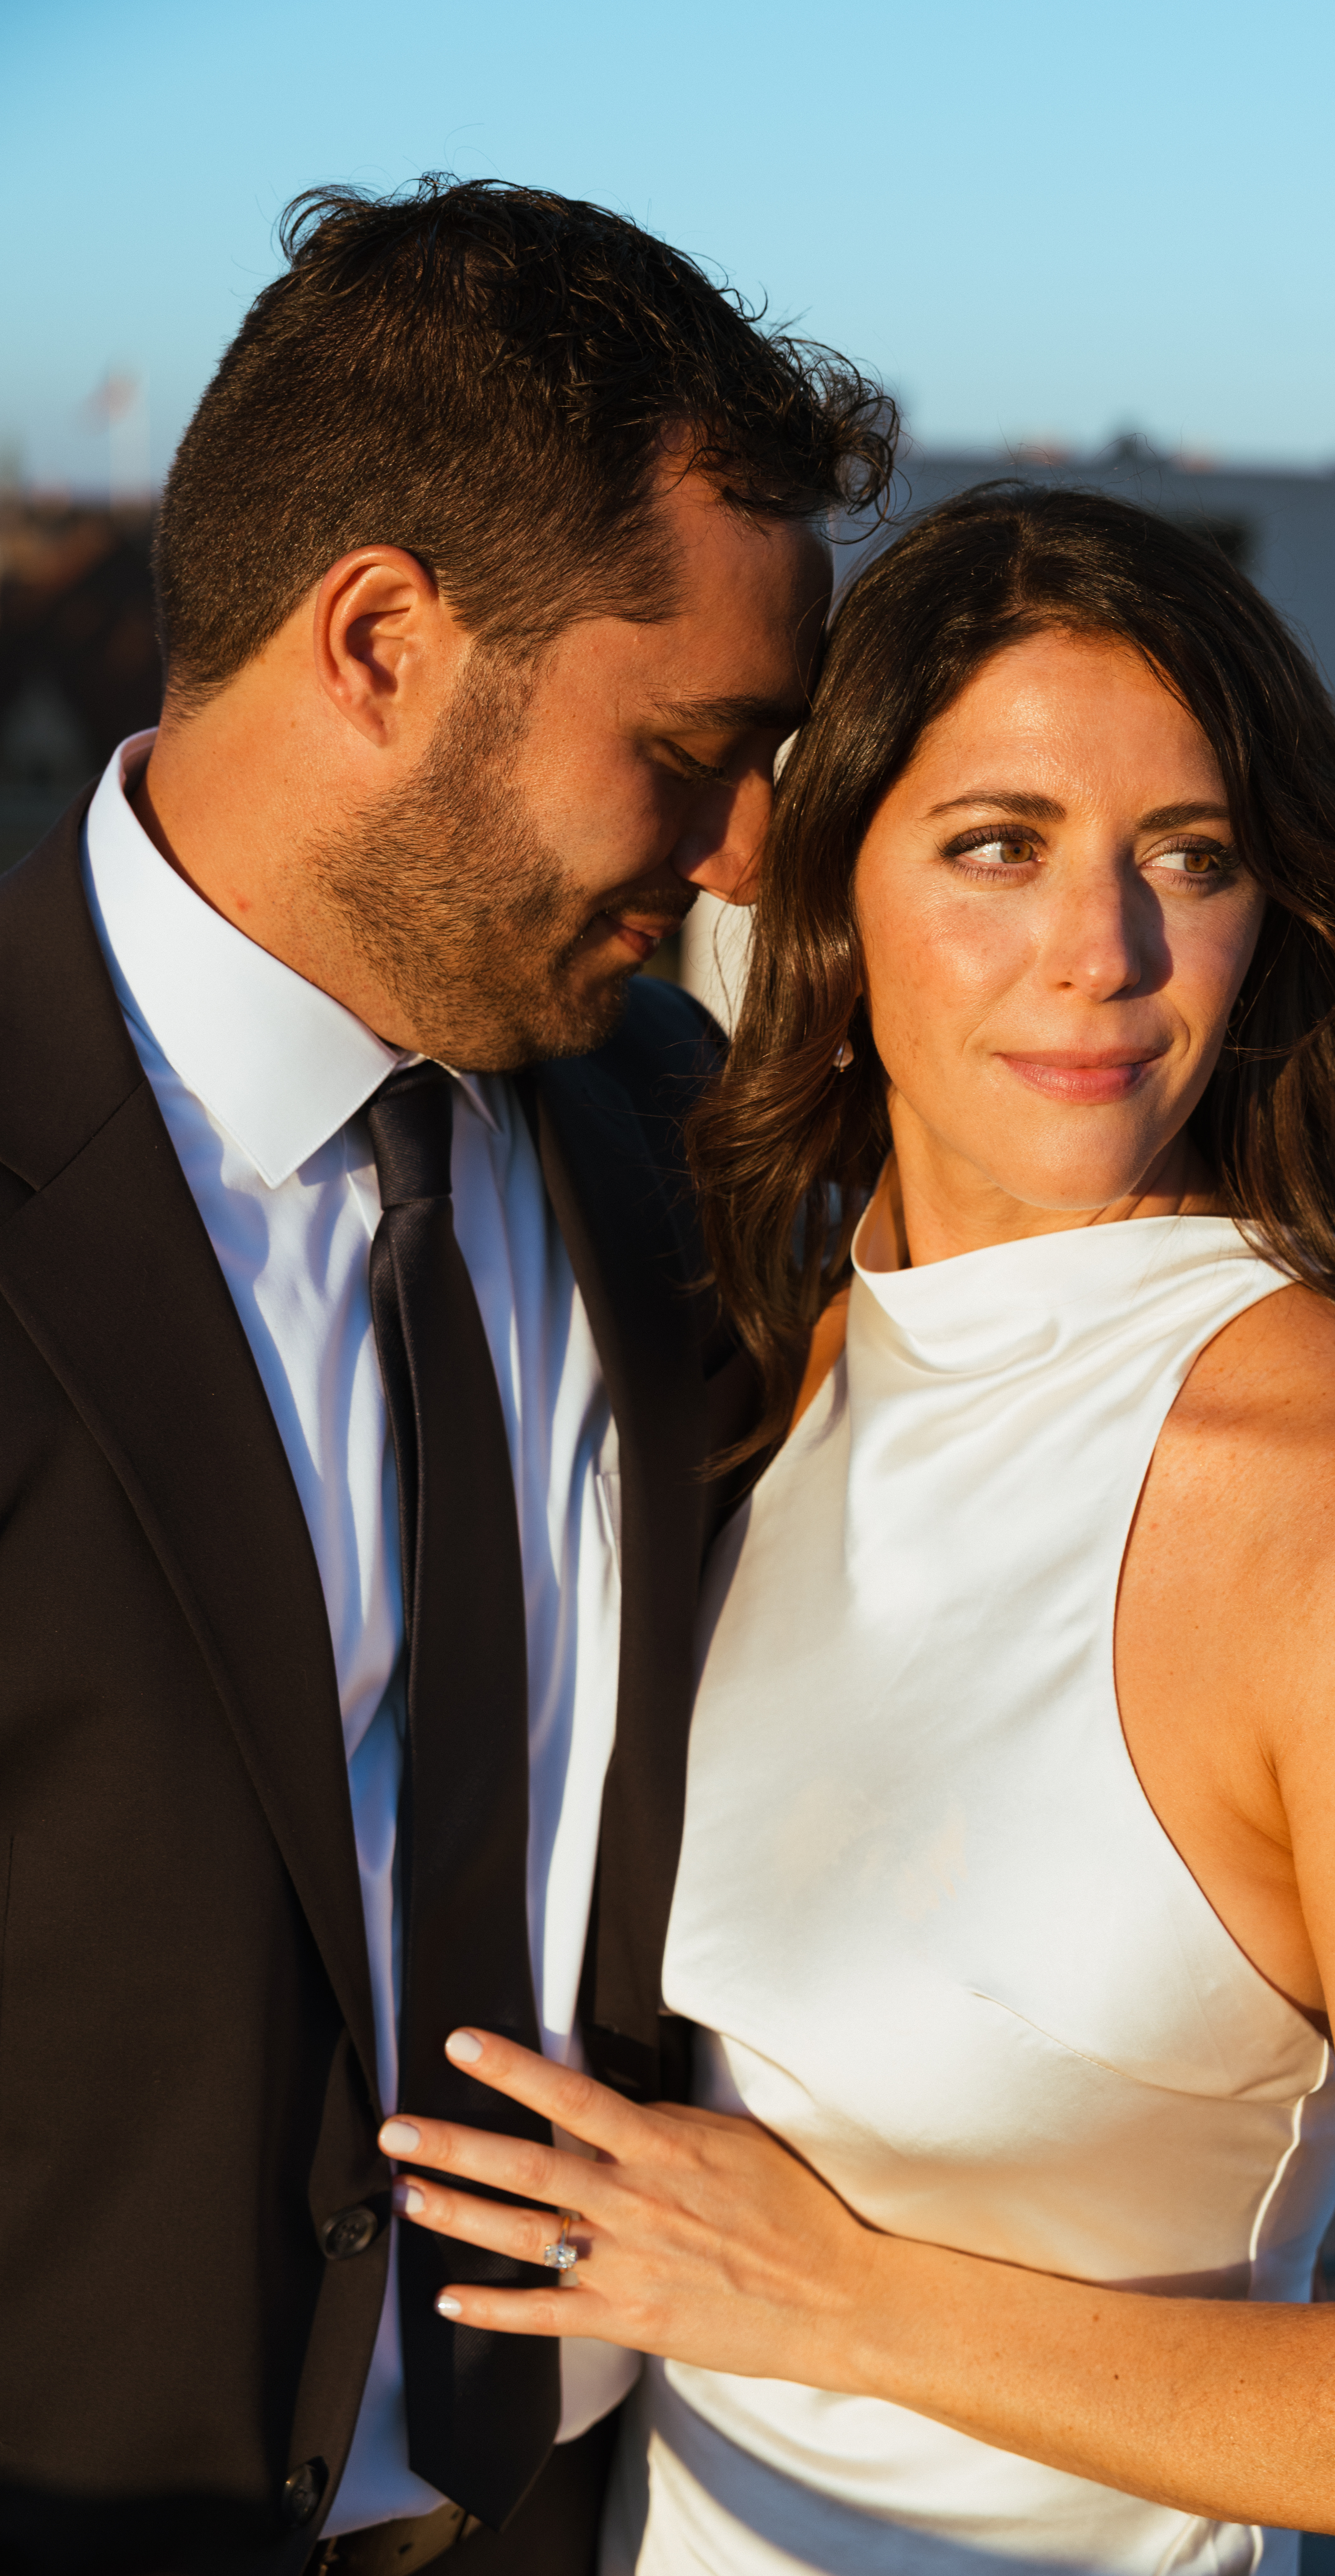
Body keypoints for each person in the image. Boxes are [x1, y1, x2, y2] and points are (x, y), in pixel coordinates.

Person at [384, 487, 1335, 2576]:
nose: (1103, 953)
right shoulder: (764, 1371)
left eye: (1190, 857)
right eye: (998, 845)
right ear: (831, 890)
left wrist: (822, 2298)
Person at [0, 176, 894, 2576]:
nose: (740, 854)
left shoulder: (669, 1130)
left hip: (599, 2516)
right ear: (382, 641)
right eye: (690, 748)